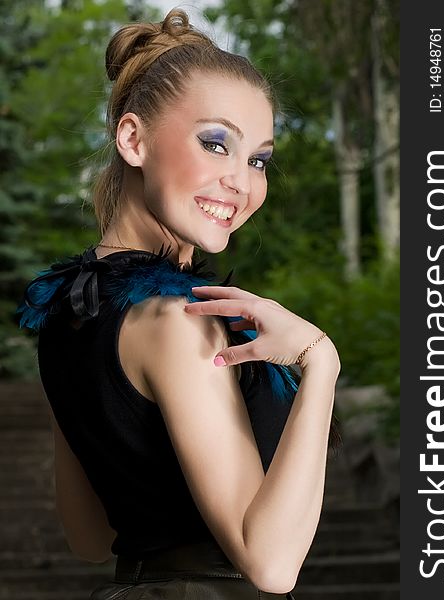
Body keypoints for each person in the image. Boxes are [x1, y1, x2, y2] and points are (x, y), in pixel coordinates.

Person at [18, 7, 341, 600]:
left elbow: (90, 539)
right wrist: (321, 360)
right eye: (216, 143)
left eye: (258, 159)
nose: (242, 183)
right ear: (133, 138)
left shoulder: (66, 311)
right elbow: (271, 565)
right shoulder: (176, 321)